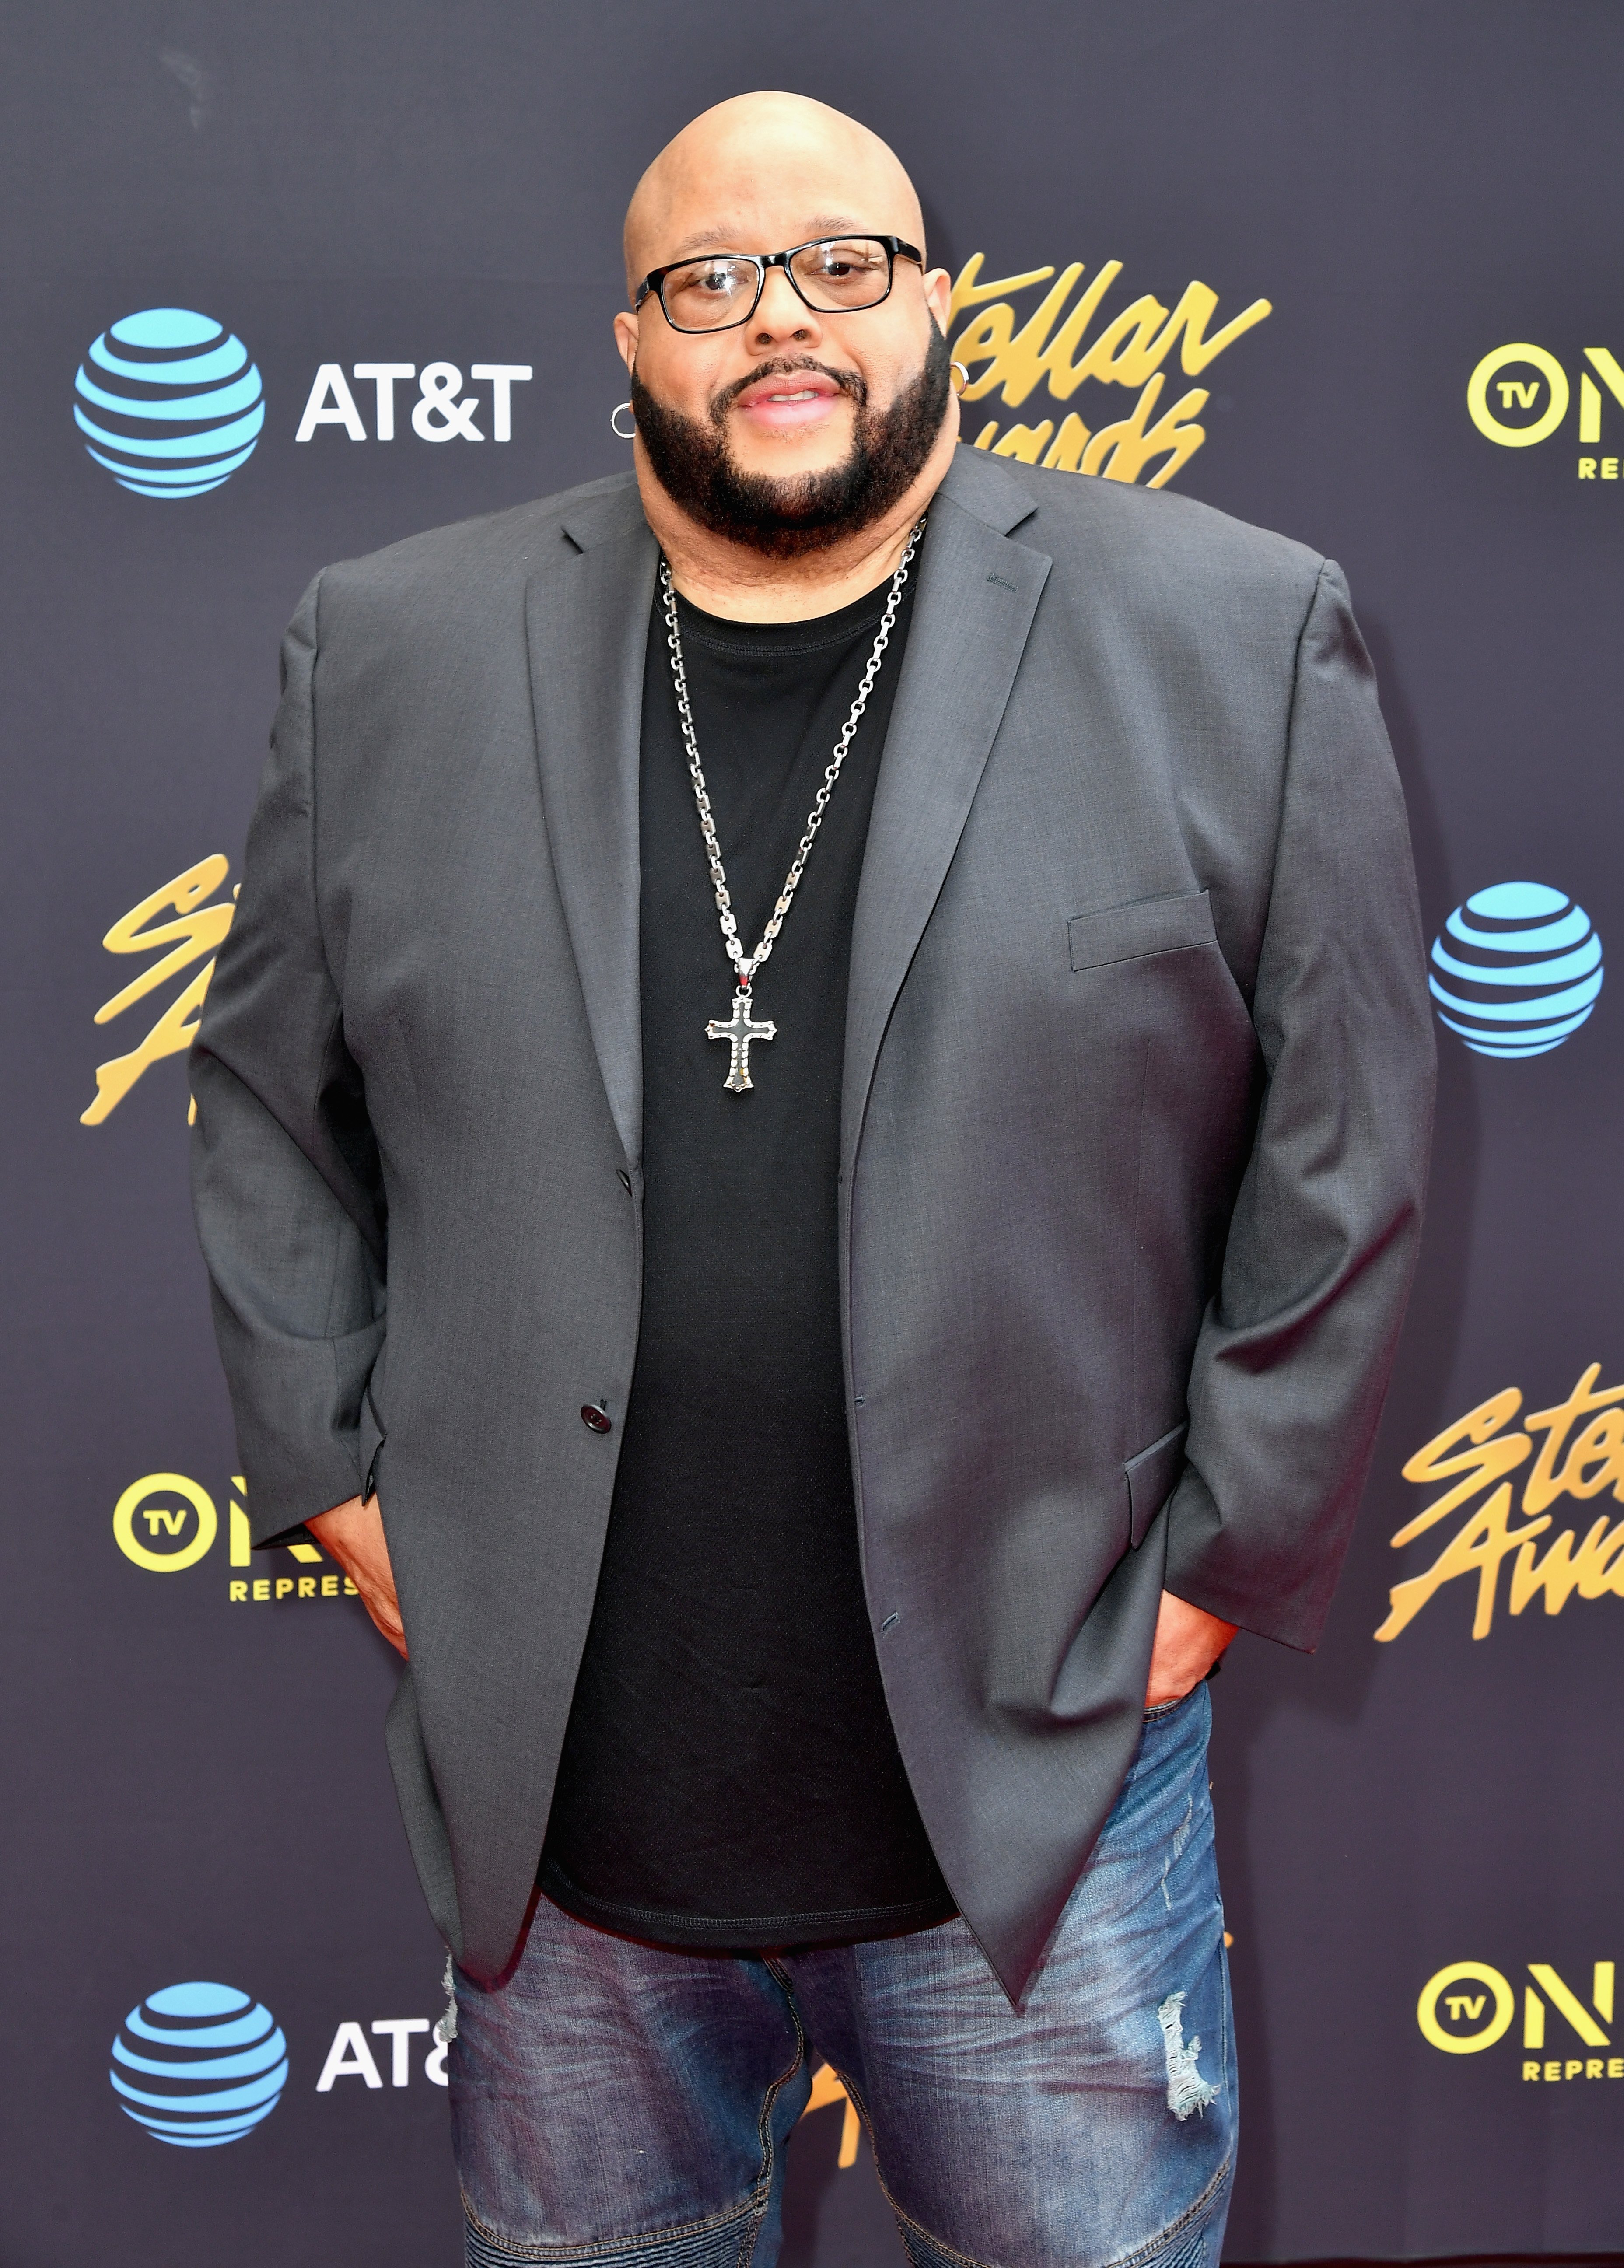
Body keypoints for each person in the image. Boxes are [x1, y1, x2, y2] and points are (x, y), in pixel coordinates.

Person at [192, 89, 1434, 2268]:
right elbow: (273, 1107)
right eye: (710, 280)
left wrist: (1224, 1572)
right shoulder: (387, 647)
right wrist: (337, 1486)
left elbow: (1339, 1144)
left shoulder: (1234, 634)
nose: (784, 321)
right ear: (632, 341)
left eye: (844, 264)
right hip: (567, 1812)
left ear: (936, 298)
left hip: (1044, 1792)